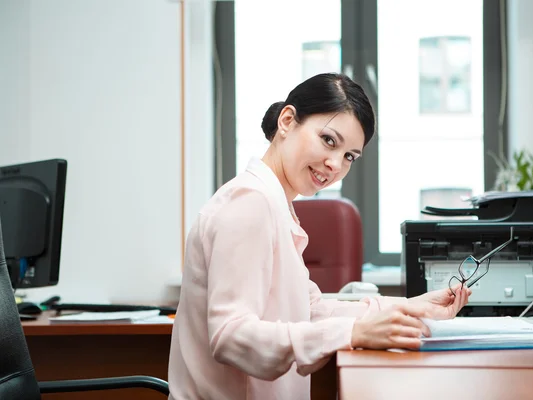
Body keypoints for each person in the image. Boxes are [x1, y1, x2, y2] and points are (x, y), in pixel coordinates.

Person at [168, 73, 471, 400]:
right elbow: (231, 335)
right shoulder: (250, 204)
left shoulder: (274, 204)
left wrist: (412, 308)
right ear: (287, 120)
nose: (335, 165)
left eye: (349, 156)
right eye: (329, 140)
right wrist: (352, 332)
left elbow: (309, 309)